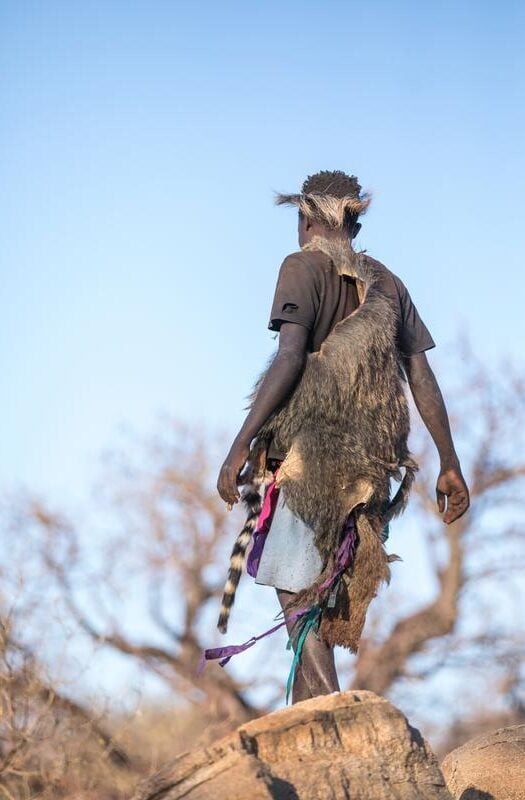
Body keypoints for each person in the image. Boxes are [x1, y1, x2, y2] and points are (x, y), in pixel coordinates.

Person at [215, 170, 469, 703]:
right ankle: (318, 713)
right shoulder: (389, 283)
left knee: (295, 583)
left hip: (312, 456)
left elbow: (288, 359)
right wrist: (449, 462)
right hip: (373, 466)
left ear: (308, 217)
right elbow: (420, 376)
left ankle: (333, 713)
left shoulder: (301, 265)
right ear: (355, 220)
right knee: (319, 593)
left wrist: (241, 444)